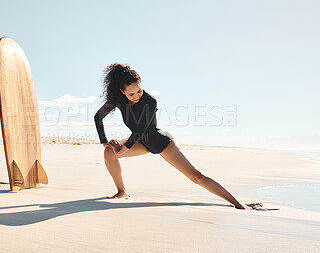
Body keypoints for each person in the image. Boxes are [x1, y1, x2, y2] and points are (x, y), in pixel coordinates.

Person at [94, 63, 262, 210]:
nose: (137, 96)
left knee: (197, 176)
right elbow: (98, 116)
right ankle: (121, 192)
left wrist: (121, 151)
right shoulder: (119, 101)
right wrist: (104, 142)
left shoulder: (150, 101)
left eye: (139, 91)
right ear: (123, 92)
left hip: (162, 143)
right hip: (141, 143)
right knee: (108, 153)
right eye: (131, 94)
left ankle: (238, 203)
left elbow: (139, 130)